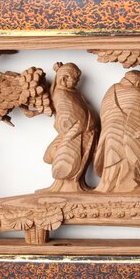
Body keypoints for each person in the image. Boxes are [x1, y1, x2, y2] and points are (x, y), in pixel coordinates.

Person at [94, 71, 140, 192]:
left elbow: (104, 114)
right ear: (139, 83)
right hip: (127, 136)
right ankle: (131, 185)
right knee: (130, 160)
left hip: (110, 134)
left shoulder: (112, 91)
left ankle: (109, 185)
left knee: (112, 161)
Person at [41, 62, 99, 192]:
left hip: (85, 133)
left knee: (82, 159)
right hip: (75, 133)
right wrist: (77, 127)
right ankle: (66, 187)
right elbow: (65, 117)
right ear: (64, 78)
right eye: (75, 79)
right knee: (70, 160)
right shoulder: (61, 94)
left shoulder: (73, 92)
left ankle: (77, 185)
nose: (78, 82)